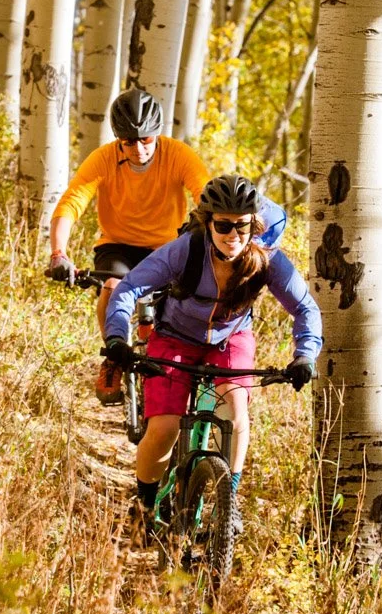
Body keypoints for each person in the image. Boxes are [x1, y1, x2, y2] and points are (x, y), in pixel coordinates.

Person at [102, 174, 322, 529]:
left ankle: (227, 502)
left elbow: (304, 308)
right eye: (223, 226)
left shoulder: (267, 258)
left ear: (254, 225)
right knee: (164, 427)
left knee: (235, 411)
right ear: (208, 223)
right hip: (174, 337)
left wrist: (305, 356)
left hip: (230, 339)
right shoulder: (186, 250)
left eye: (242, 226)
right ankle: (143, 508)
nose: (233, 235)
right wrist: (116, 338)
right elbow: (129, 288)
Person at [44, 88, 210, 402]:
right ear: (118, 140)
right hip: (117, 245)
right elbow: (71, 203)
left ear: (156, 133)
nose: (138, 149)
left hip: (165, 246)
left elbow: (205, 194)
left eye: (145, 139)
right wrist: (58, 253)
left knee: (176, 305)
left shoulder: (178, 154)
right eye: (128, 142)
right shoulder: (104, 158)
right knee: (112, 286)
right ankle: (114, 357)